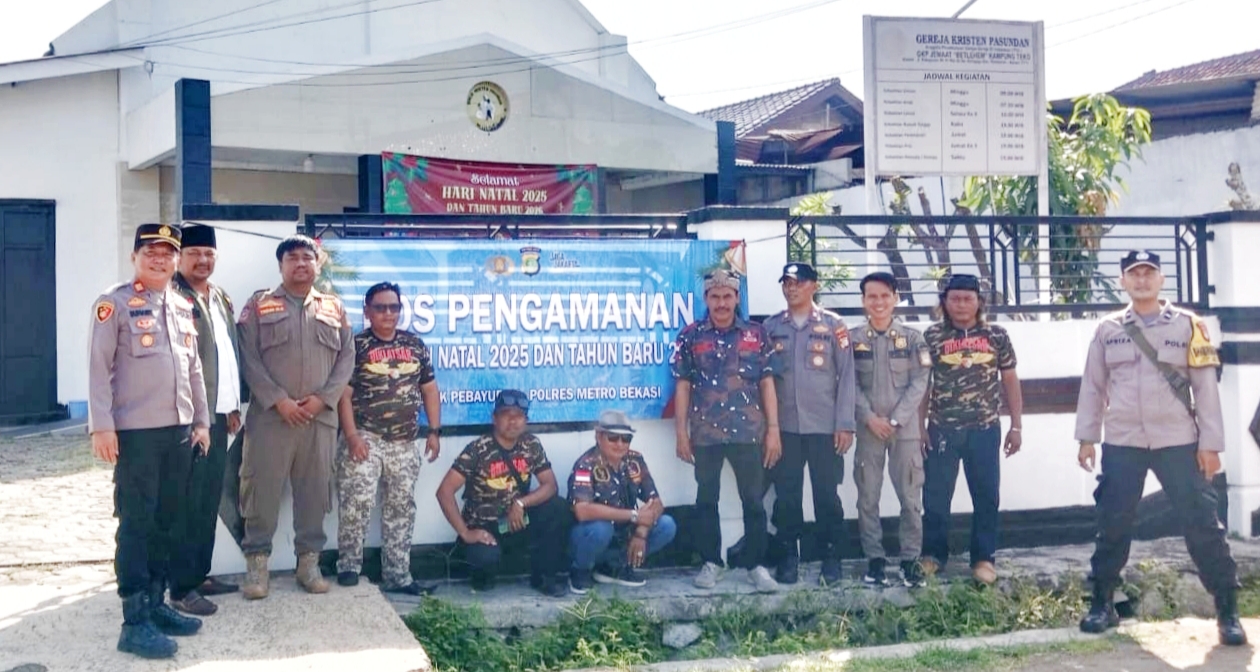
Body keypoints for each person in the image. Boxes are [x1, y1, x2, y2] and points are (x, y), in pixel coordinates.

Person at [1075, 250, 1246, 646]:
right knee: (1112, 523)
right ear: (1122, 281)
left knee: (1202, 524)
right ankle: (1102, 603)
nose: (1141, 280)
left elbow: (1205, 388)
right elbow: (1093, 386)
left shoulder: (1188, 325)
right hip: (1124, 441)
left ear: (1161, 279)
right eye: (1134, 274)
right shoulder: (1107, 329)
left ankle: (1227, 609)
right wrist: (1087, 438)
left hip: (1178, 441)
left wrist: (1211, 445)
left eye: (1148, 273)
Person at [88, 223, 210, 659]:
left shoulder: (181, 305)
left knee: (168, 521)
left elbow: (194, 369)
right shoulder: (114, 303)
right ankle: (134, 621)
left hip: (178, 432)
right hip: (136, 434)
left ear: (176, 260)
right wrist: (101, 426)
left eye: (167, 253)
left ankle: (157, 604)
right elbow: (98, 367)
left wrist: (201, 421)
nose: (159, 260)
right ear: (135, 258)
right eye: (151, 252)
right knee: (137, 523)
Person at [237, 234, 355, 599]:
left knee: (315, 493)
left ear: (317, 264)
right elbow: (248, 358)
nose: (301, 263)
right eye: (292, 258)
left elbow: (346, 358)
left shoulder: (334, 307)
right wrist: (278, 401)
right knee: (261, 492)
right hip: (271, 420)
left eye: (307, 257)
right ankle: (257, 568)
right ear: (281, 265)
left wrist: (323, 399)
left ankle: (308, 565)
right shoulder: (259, 306)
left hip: (319, 420)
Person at [672, 269, 782, 593]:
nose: (721, 303)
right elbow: (682, 385)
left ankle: (756, 566)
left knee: (754, 500)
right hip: (705, 434)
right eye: (715, 296)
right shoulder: (690, 336)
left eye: (727, 296)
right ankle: (711, 563)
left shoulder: (756, 334)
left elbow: (767, 383)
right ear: (706, 298)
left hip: (748, 432)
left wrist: (773, 429)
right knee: (706, 499)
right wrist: (681, 432)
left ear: (736, 298)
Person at [335, 281, 442, 596]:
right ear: (367, 311)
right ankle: (348, 567)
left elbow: (429, 390)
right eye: (380, 307)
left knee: (401, 509)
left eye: (394, 307)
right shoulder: (356, 346)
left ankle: (397, 576)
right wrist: (352, 436)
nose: (388, 313)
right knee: (356, 503)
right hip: (366, 438)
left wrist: (434, 431)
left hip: (404, 442)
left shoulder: (415, 344)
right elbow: (343, 395)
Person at [920, 274, 1023, 585]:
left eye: (968, 298)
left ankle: (983, 558)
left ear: (979, 302)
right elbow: (923, 384)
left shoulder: (997, 335)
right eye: (955, 299)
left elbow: (1010, 380)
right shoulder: (932, 336)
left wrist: (1016, 425)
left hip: (985, 428)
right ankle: (933, 555)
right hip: (942, 429)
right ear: (944, 302)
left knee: (987, 495)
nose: (961, 304)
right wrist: (920, 426)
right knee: (936, 496)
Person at [762, 262, 856, 586]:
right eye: (787, 283)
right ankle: (789, 556)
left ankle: (831, 557)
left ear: (814, 285)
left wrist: (845, 423)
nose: (791, 288)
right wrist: (769, 428)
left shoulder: (834, 325)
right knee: (787, 497)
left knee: (826, 496)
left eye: (799, 282)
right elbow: (764, 379)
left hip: (824, 427)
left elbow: (847, 377)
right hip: (785, 428)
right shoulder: (771, 327)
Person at [167, 224, 243, 616]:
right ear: (180, 257)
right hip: (190, 418)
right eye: (194, 252)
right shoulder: (172, 297)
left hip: (218, 414)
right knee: (188, 502)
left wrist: (232, 406)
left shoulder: (220, 296)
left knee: (208, 499)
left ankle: (199, 573)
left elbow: (226, 353)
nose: (202, 260)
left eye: (208, 254)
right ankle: (181, 587)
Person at [435, 389, 569, 598]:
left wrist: (521, 503)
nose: (513, 421)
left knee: (558, 507)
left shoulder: (531, 445)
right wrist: (466, 533)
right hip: (486, 526)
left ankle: (544, 577)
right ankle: (483, 573)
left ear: (526, 420)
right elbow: (444, 492)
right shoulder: (478, 449)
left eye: (519, 416)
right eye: (506, 414)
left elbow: (550, 485)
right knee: (485, 560)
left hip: (516, 521)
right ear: (494, 418)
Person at [850, 272, 931, 587]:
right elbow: (849, 383)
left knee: (910, 497)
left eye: (885, 295)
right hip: (868, 429)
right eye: (872, 296)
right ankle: (875, 559)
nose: (879, 302)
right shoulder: (853, 339)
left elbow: (920, 382)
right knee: (867, 496)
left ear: (896, 298)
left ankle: (910, 559)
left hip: (905, 430)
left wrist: (896, 419)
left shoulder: (913, 339)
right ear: (863, 300)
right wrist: (869, 418)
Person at [567, 410, 677, 594]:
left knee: (667, 525)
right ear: (598, 436)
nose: (620, 444)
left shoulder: (635, 460)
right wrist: (634, 515)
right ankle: (580, 570)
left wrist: (641, 532)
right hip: (589, 538)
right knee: (601, 529)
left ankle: (614, 568)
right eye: (613, 438)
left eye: (626, 439)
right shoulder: (586, 464)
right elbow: (582, 510)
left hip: (624, 535)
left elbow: (656, 502)